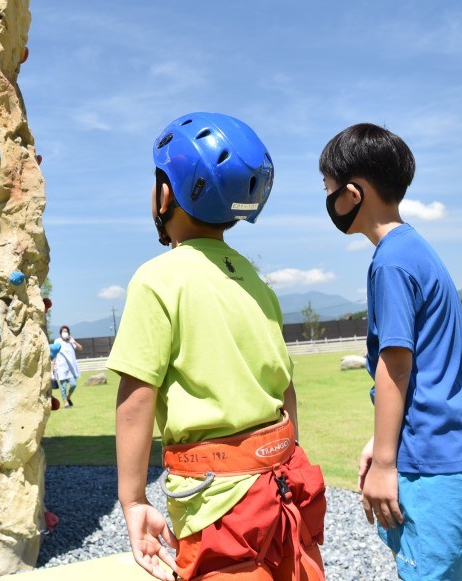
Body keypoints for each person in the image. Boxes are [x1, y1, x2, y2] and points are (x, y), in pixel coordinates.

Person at [110, 112, 326, 580]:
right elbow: (285, 389)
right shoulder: (253, 278)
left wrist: (132, 499)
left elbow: (136, 397)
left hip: (219, 507)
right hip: (285, 484)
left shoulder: (156, 279)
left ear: (166, 193)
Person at [320, 124, 462, 580]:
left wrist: (386, 464)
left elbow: (396, 367)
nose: (328, 201)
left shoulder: (391, 262)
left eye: (330, 189)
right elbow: (431, 363)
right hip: (438, 452)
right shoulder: (415, 250)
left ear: (355, 192)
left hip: (430, 465)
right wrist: (383, 441)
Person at [53, 325, 83, 407]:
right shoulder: (57, 341)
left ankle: (68, 397)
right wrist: (53, 365)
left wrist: (74, 342)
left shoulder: (71, 341)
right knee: (63, 387)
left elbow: (80, 348)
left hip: (70, 368)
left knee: (73, 384)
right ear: (60, 333)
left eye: (66, 331)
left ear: (68, 333)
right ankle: (65, 402)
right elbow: (54, 353)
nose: (64, 333)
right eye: (63, 331)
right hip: (61, 366)